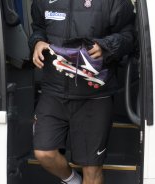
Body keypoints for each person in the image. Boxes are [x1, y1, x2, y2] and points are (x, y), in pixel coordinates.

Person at [28, 0, 136, 183]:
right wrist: (37, 42)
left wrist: (106, 46)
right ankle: (71, 180)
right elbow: (38, 28)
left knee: (92, 171)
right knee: (44, 152)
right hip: (53, 91)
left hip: (94, 96)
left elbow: (130, 36)